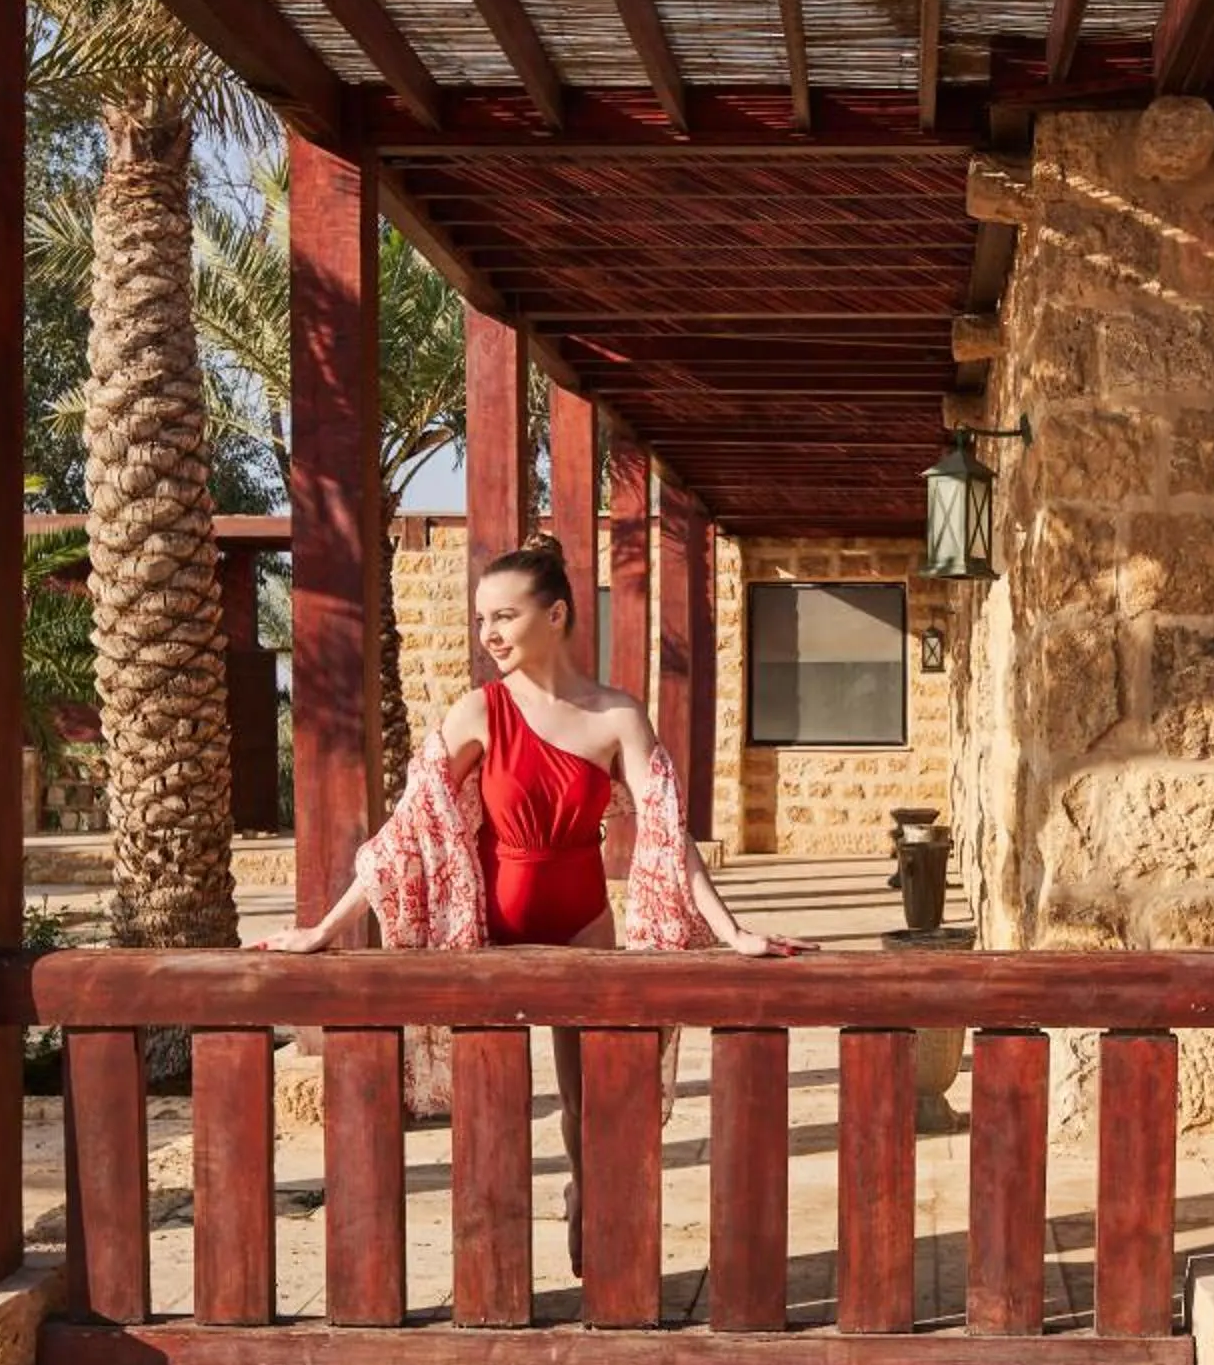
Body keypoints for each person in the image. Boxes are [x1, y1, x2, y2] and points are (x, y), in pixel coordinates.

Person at [251, 535, 809, 1267]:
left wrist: (731, 932)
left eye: (505, 616)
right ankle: (494, 1261)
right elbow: (407, 832)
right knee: (495, 1102)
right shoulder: (479, 712)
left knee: (590, 1102)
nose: (489, 634)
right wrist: (325, 928)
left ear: (557, 615)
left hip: (583, 929)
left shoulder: (617, 716)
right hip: (492, 936)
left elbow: (669, 831)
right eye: (482, 619)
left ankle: (586, 1194)